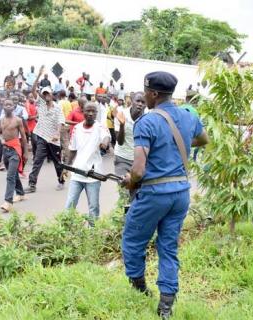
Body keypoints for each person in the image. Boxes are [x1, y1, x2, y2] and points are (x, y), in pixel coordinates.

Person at [121, 71, 208, 318]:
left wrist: (130, 180)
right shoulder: (189, 116)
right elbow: (204, 139)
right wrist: (175, 145)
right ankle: (166, 305)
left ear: (154, 94)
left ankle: (138, 288)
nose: (144, 97)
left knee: (133, 240)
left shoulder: (146, 122)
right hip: (181, 192)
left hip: (154, 193)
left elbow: (138, 170)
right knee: (168, 246)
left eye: (146, 92)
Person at [65, 102, 110, 225]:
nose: (90, 114)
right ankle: (66, 229)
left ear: (96, 113)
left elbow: (106, 137)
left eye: (93, 111)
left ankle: (92, 233)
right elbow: (73, 150)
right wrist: (66, 167)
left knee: (93, 207)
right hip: (77, 173)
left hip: (93, 176)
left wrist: (104, 144)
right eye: (87, 111)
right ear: (82, 112)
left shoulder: (100, 127)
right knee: (70, 204)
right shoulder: (77, 128)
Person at [26, 66, 65, 193]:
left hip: (53, 139)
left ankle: (61, 181)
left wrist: (57, 134)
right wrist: (38, 76)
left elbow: (60, 121)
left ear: (52, 94)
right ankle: (32, 184)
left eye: (48, 93)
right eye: (44, 93)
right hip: (42, 136)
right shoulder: (41, 104)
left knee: (57, 163)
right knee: (37, 161)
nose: (46, 95)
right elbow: (32, 90)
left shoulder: (58, 107)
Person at [0, 98, 28, 211]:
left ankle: (8, 201)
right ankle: (20, 193)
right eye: (6, 104)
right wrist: (1, 139)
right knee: (13, 174)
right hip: (6, 150)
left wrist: (25, 152)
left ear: (13, 107)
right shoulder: (1, 120)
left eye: (10, 105)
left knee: (10, 176)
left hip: (15, 150)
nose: (8, 106)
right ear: (3, 106)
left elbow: (24, 137)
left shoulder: (18, 120)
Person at [25, 92, 38, 158]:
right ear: (28, 98)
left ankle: (34, 155)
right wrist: (37, 116)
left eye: (33, 97)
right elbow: (29, 118)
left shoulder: (34, 104)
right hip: (26, 126)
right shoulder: (27, 105)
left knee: (35, 141)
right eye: (30, 97)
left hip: (33, 126)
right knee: (25, 142)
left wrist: (36, 119)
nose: (32, 98)